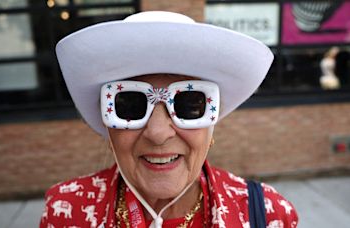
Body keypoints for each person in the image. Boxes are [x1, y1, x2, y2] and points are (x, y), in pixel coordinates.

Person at [40, 11, 298, 228]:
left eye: (189, 104)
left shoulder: (268, 214)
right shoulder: (67, 212)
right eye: (130, 104)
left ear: (211, 125)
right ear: (109, 128)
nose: (158, 132)